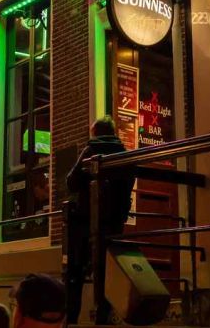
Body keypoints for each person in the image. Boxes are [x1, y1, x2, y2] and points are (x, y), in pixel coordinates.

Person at [64, 116, 135, 324]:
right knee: (105, 272)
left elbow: (71, 182)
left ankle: (71, 318)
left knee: (75, 270)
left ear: (95, 133)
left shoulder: (91, 150)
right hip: (114, 224)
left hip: (87, 223)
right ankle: (103, 315)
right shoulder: (124, 154)